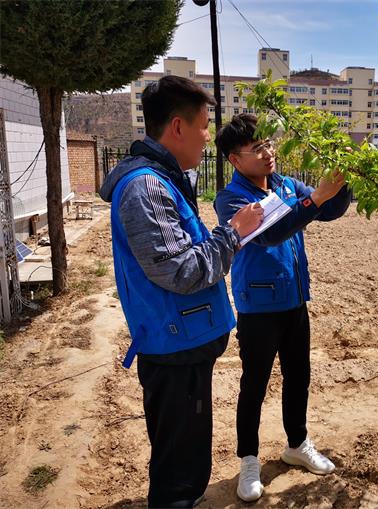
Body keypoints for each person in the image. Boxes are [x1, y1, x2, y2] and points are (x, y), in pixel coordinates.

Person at [99, 77, 263, 508]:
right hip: (175, 348)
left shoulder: (164, 180)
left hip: (182, 343)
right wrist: (233, 234)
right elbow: (183, 270)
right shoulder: (147, 188)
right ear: (177, 127)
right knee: (180, 474)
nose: (208, 136)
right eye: (204, 125)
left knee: (183, 459)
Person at [214, 113, 351, 502]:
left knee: (298, 376)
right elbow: (270, 234)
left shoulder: (286, 184)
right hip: (258, 306)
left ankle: (297, 443)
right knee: (253, 385)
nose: (268, 153)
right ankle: (249, 460)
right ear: (234, 159)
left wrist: (341, 183)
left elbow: (325, 210)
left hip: (294, 299)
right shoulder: (231, 199)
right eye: (256, 148)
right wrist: (315, 197)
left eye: (268, 144)